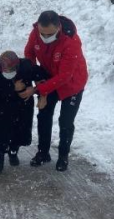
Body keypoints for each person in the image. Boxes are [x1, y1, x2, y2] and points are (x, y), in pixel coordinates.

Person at [20, 10, 88, 172]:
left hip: (72, 84)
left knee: (65, 121)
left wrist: (37, 89)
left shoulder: (71, 42)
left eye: (49, 34)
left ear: (59, 28)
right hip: (48, 78)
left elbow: (65, 76)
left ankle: (63, 155)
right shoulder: (36, 32)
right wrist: (37, 76)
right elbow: (29, 53)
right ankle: (43, 152)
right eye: (42, 34)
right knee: (43, 114)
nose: (45, 37)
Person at [0, 51, 47, 176]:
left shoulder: (26, 66)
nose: (8, 72)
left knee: (19, 129)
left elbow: (41, 77)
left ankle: (13, 151)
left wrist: (35, 90)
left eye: (11, 70)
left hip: (21, 105)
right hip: (0, 104)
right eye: (5, 70)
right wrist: (13, 87)